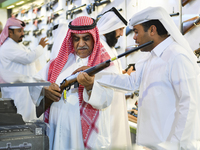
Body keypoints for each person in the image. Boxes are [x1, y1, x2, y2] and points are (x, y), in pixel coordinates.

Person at [95, 6, 200, 150]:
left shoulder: (177, 56)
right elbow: (131, 82)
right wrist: (95, 78)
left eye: (136, 31)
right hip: (153, 144)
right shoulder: (149, 57)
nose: (134, 37)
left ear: (152, 30)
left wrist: (175, 144)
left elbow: (189, 105)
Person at [30, 16, 132, 150]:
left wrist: (90, 86)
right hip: (57, 127)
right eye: (76, 39)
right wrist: (45, 88)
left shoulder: (105, 65)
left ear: (94, 38)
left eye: (86, 38)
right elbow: (33, 81)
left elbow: (106, 100)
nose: (81, 44)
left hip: (83, 135)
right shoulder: (60, 62)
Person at [0, 17, 48, 122]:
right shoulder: (8, 47)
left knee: (28, 121)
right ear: (10, 33)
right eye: (19, 31)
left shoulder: (17, 45)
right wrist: (40, 46)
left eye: (22, 30)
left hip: (23, 90)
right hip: (16, 92)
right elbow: (28, 58)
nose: (22, 33)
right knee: (20, 121)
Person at [97, 7, 132, 147]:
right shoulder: (100, 47)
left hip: (115, 102)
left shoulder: (108, 46)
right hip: (108, 104)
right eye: (120, 29)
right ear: (111, 27)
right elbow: (105, 78)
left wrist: (122, 73)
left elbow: (110, 73)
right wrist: (127, 77)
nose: (122, 34)